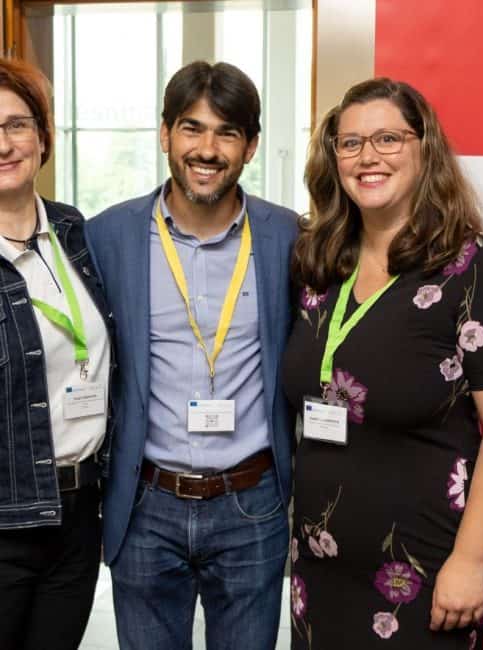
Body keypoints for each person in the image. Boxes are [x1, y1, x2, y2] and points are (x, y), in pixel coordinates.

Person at [282, 77, 483, 649]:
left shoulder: (475, 268)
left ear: (426, 149)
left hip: (423, 569)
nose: (367, 157)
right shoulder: (320, 263)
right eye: (350, 143)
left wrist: (470, 561)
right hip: (319, 566)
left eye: (388, 139)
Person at [85, 61, 297, 650]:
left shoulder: (288, 238)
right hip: (146, 504)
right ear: (164, 134)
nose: (207, 149)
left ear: (251, 146)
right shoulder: (108, 236)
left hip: (252, 502)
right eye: (191, 128)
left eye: (227, 132)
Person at [0, 58, 114, 650]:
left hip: (78, 515)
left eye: (16, 125)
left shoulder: (75, 231)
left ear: (43, 138)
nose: (4, 144)